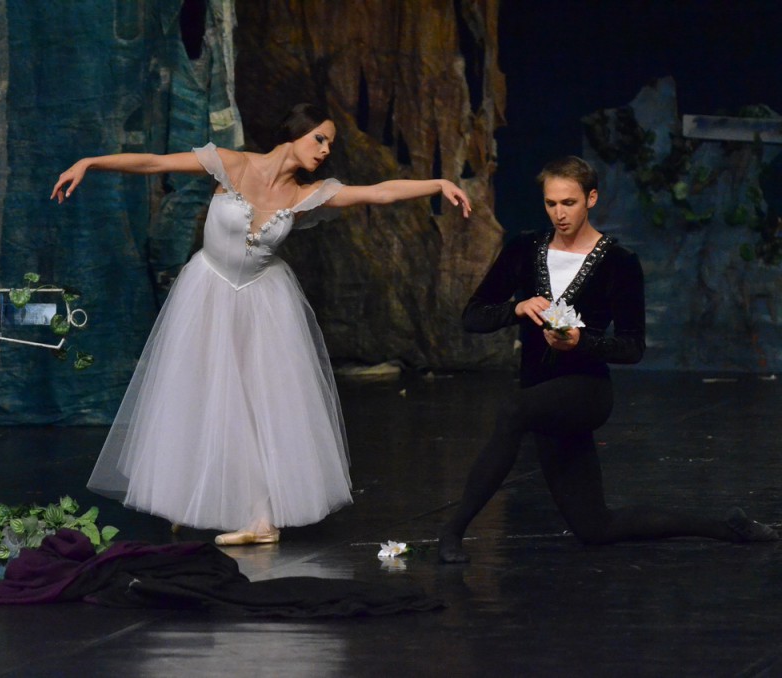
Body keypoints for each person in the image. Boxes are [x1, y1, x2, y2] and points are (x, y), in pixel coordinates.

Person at [52, 103, 472, 546]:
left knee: (253, 406)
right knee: (199, 397)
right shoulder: (231, 164)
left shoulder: (308, 195)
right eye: (319, 138)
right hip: (208, 292)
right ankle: (194, 501)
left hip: (262, 302)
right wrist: (90, 162)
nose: (325, 150)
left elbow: (379, 192)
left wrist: (438, 184)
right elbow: (154, 163)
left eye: (330, 144)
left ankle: (261, 520)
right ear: (295, 133)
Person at [437, 155, 778, 564]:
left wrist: (581, 341)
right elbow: (473, 317)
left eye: (569, 203)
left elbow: (632, 347)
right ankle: (727, 527)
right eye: (551, 203)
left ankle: (451, 533)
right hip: (541, 397)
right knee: (595, 528)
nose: (559, 214)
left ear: (591, 198)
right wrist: (516, 307)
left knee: (513, 409)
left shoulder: (619, 262)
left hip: (586, 392)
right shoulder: (525, 249)